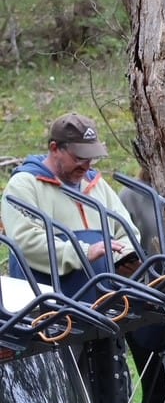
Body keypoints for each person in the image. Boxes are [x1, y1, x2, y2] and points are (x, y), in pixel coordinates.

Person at [2, 113, 137, 295]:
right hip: (48, 303)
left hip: (101, 300)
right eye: (79, 158)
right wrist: (83, 253)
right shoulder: (24, 184)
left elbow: (126, 230)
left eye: (91, 158)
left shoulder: (96, 184)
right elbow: (25, 240)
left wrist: (124, 257)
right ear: (54, 148)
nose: (86, 166)